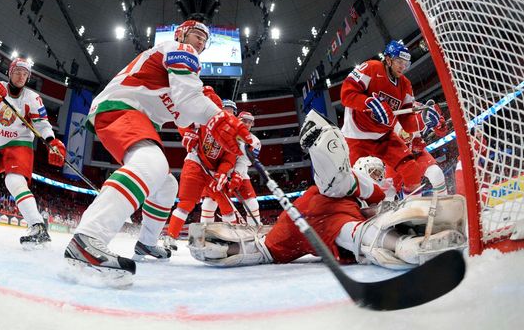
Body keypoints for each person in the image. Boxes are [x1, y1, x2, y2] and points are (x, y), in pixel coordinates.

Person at [63, 19, 252, 284]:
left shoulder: (186, 73)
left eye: (204, 40)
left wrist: (219, 124)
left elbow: (188, 115)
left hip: (132, 113)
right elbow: (190, 102)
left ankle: (146, 243)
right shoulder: (178, 50)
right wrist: (219, 117)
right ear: (181, 33)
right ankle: (88, 238)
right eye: (197, 35)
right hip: (122, 107)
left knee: (166, 185)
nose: (200, 42)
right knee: (152, 162)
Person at [189, 110, 467, 270]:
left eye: (380, 173)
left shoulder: (368, 191)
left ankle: (226, 244)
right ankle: (407, 246)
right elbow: (360, 192)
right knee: (360, 234)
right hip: (328, 206)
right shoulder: (364, 187)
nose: (380, 176)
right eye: (375, 172)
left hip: (311, 216)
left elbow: (271, 248)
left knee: (266, 249)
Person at [0, 58, 66, 248]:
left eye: (25, 74)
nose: (21, 76)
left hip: (20, 144)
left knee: (14, 181)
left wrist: (52, 142)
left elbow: (42, 124)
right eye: (18, 71)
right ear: (10, 72)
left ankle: (38, 227)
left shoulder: (32, 98)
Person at [340, 41, 446, 195]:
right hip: (356, 138)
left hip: (384, 138)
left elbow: (408, 123)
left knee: (413, 172)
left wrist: (423, 121)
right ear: (388, 59)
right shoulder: (370, 68)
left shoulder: (406, 85)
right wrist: (367, 101)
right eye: (399, 62)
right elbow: (346, 94)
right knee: (353, 187)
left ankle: (412, 211)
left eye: (406, 63)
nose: (403, 66)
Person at [163, 86, 240, 251]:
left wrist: (221, 173)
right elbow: (185, 118)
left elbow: (230, 158)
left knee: (226, 204)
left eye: (231, 111)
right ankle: (170, 237)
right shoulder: (207, 115)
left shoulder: (234, 133)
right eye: (225, 109)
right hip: (196, 163)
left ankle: (236, 237)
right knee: (186, 202)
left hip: (214, 172)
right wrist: (186, 134)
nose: (228, 113)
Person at [200, 111, 263, 225]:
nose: (247, 124)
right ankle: (204, 231)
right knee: (209, 203)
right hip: (219, 173)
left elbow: (245, 161)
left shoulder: (254, 141)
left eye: (250, 122)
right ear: (237, 120)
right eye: (244, 121)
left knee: (253, 204)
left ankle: (255, 230)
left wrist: (237, 174)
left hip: (239, 174)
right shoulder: (225, 133)